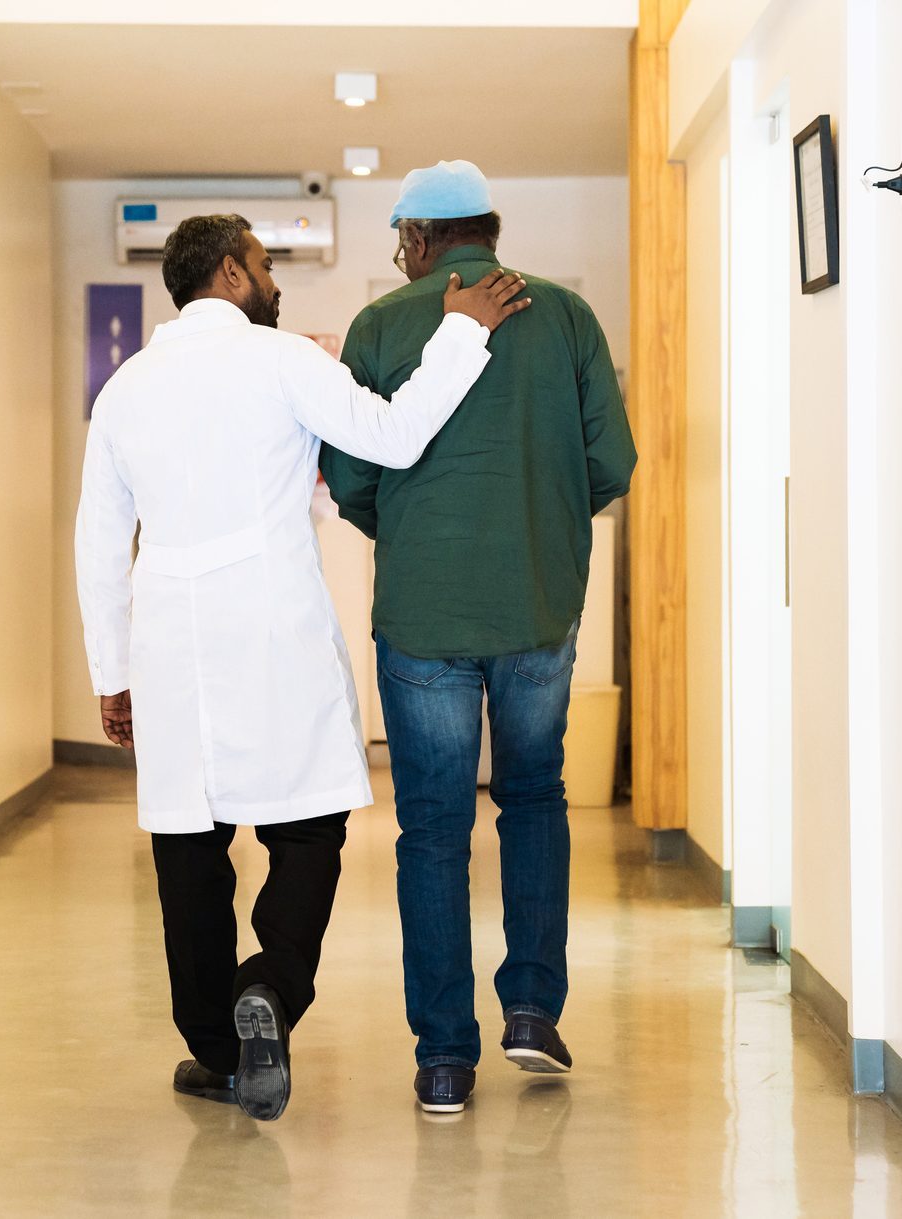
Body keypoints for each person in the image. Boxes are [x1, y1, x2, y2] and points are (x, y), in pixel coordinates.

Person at [75, 213, 529, 1121]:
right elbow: (395, 435)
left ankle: (215, 1049)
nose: (273, 278)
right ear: (234, 276)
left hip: (171, 635)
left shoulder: (125, 387)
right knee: (310, 828)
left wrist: (112, 671)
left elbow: (97, 542)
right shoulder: (281, 362)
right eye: (266, 262)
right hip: (269, 621)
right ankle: (271, 991)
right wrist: (463, 330)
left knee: (187, 851)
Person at [319, 161, 638, 1114]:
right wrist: (539, 522)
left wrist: (416, 535)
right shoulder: (570, 316)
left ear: (416, 240)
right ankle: (534, 1011)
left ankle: (445, 1059)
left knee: (433, 827)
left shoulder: (381, 326)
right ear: (488, 231)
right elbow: (610, 459)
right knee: (536, 797)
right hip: (539, 602)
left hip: (424, 615)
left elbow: (350, 474)